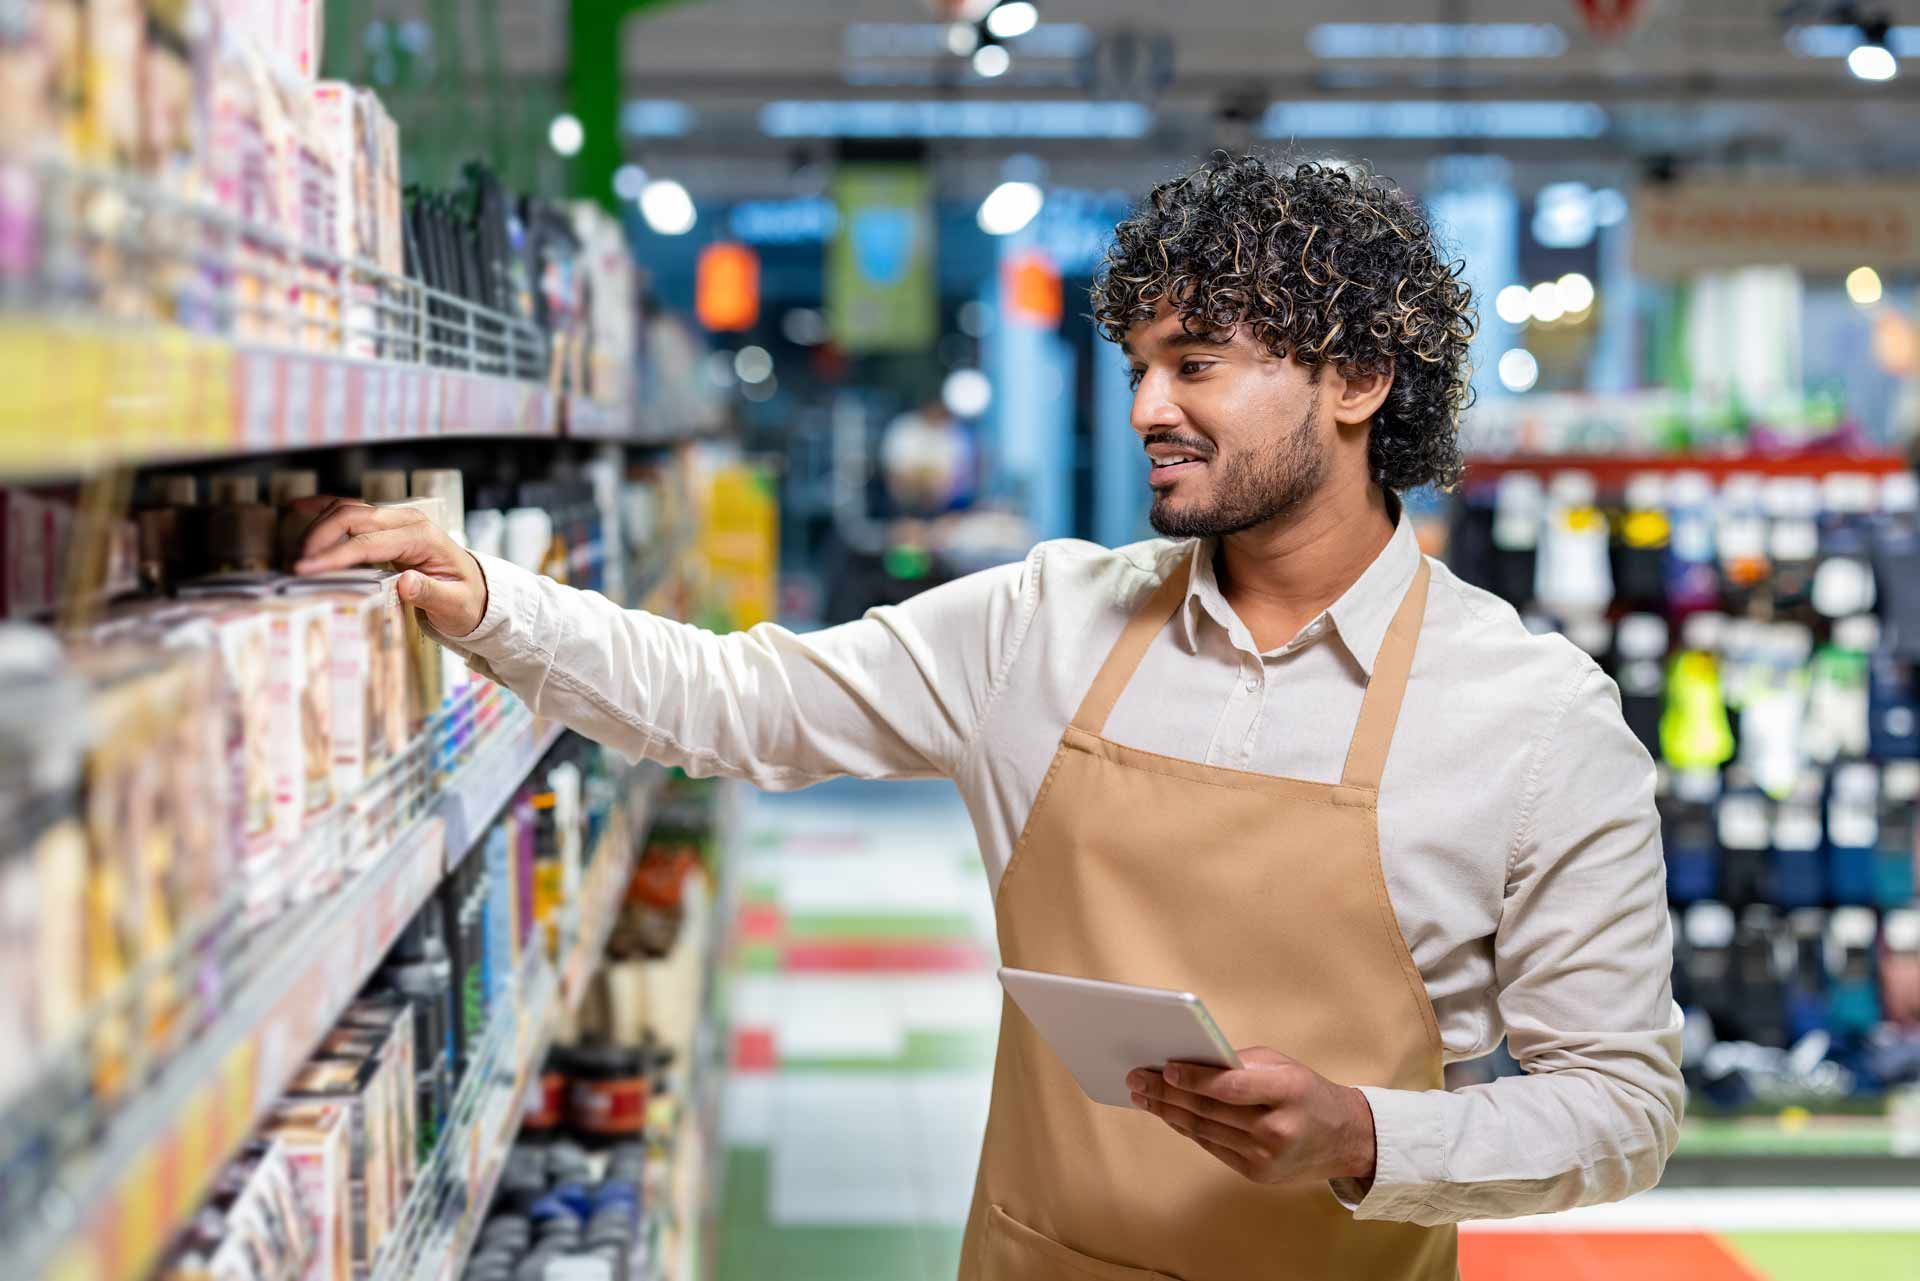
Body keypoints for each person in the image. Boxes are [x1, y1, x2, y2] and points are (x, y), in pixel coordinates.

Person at [295, 153, 1683, 1280]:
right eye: (1139, 363)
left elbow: (1624, 1102)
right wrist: (487, 596)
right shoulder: (1045, 622)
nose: (1147, 404)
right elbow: (736, 702)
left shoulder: (1534, 717)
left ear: (1358, 384)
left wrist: (1365, 1133)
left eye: (1197, 363)